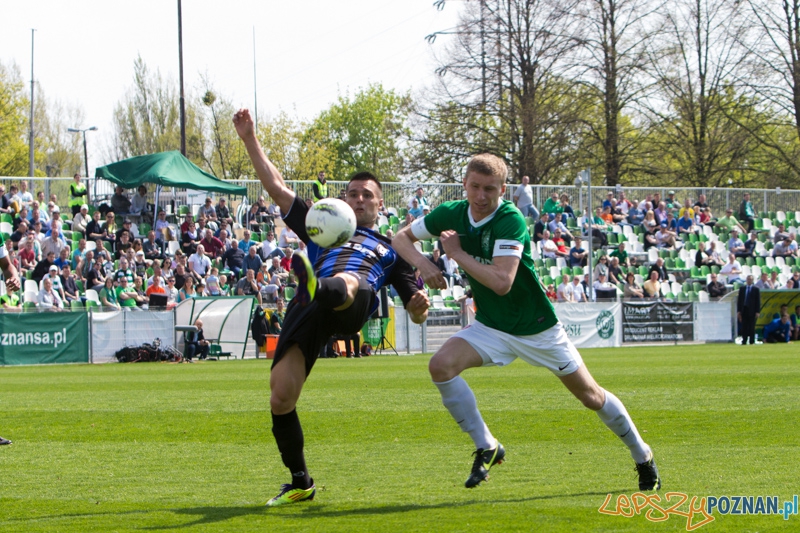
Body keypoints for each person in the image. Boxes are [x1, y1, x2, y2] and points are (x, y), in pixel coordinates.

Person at [391, 153, 660, 492]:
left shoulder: (510, 219)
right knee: (440, 366)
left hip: (537, 329)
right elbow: (400, 238)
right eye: (474, 187)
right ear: (464, 185)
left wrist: (456, 254)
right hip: (492, 326)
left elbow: (502, 282)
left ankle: (642, 454)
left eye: (490, 189)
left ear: (503, 189)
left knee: (591, 396)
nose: (480, 196)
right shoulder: (451, 213)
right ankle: (487, 445)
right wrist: (423, 265)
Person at [234, 108, 430, 506]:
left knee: (351, 282)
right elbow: (274, 186)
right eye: (353, 194)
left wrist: (420, 306)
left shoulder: (393, 247)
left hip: (353, 304)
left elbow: (415, 308)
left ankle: (320, 283)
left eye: (367, 196)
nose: (359, 199)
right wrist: (249, 138)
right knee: (280, 396)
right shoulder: (319, 223)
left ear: (379, 205)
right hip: (308, 307)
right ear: (344, 200)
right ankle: (301, 481)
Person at [737, 275, 760, 345]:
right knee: (744, 326)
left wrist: (757, 311)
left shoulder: (755, 289)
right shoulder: (742, 289)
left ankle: (752, 341)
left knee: (751, 326)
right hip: (744, 309)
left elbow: (757, 301)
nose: (749, 281)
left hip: (752, 310)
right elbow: (740, 300)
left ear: (752, 280)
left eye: (750, 279)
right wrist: (739, 311)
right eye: (748, 279)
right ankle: (744, 340)